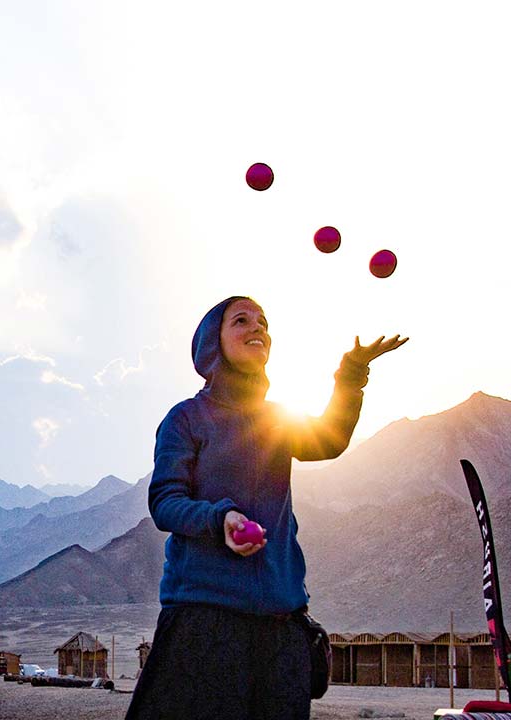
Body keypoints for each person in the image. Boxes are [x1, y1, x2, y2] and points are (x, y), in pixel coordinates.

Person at [126, 296, 408, 720]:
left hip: (282, 621)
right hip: (205, 619)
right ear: (212, 343)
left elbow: (329, 440)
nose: (258, 328)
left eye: (264, 323)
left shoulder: (278, 419)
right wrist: (218, 518)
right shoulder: (187, 418)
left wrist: (350, 377)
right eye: (241, 320)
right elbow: (165, 502)